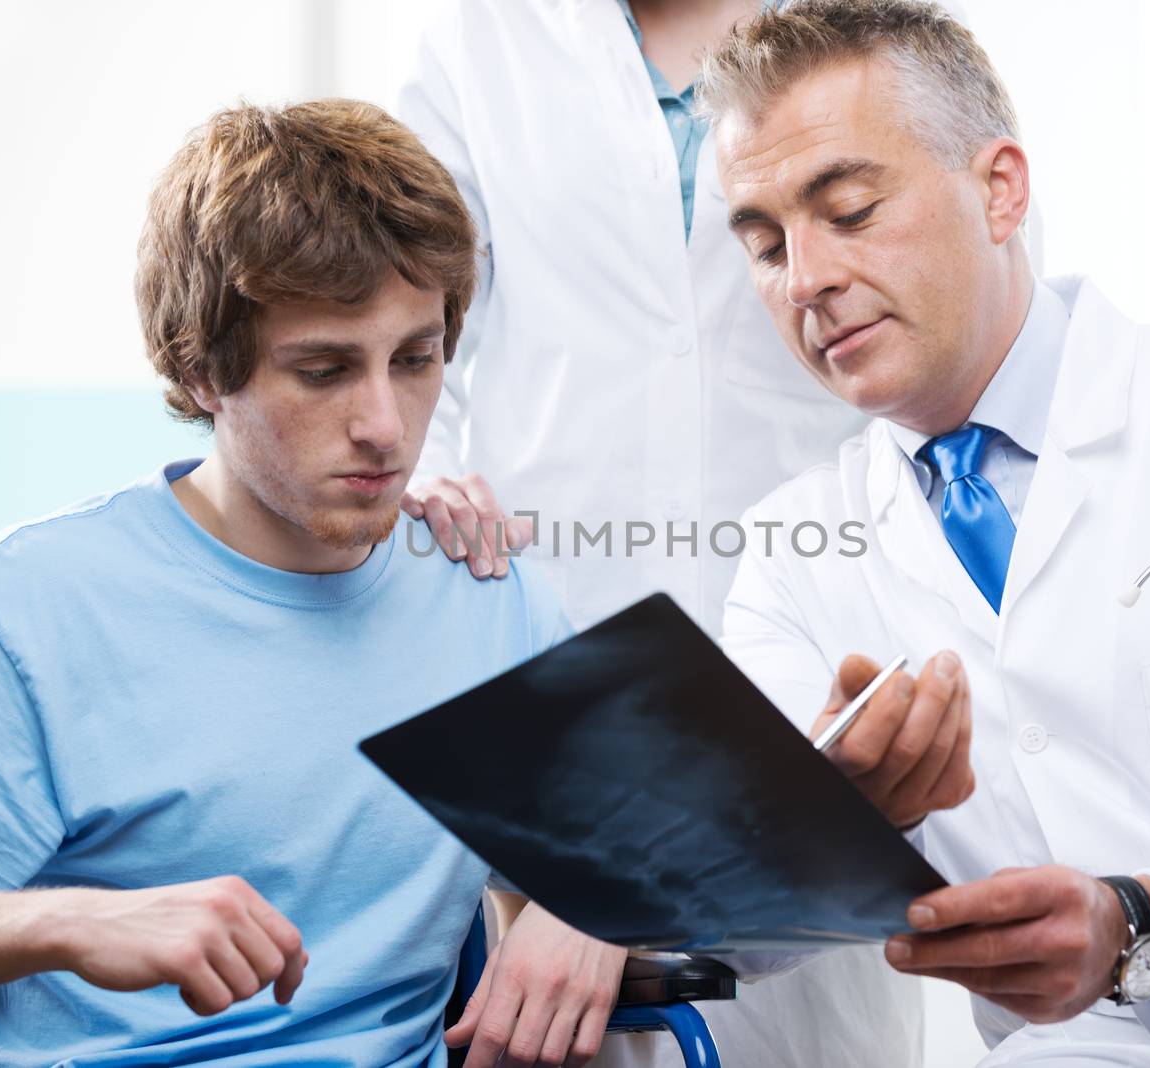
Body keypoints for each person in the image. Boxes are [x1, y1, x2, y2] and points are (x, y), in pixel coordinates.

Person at [701, 1, 1150, 1064]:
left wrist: (1144, 922)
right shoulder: (788, 555)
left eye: (848, 210)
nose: (804, 279)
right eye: (764, 245)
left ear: (999, 189)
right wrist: (824, 830)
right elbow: (740, 925)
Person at [0, 99, 625, 1068]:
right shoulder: (23, 621)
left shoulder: (485, 596)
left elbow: (660, 838)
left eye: (415, 360)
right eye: (325, 370)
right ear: (202, 368)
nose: (385, 423)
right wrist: (62, 924)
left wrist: (595, 906)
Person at [394, 2, 932, 1065]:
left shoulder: (878, 30)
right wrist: (416, 492)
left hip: (812, 652)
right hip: (557, 674)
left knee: (807, 1024)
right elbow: (400, 314)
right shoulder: (481, 43)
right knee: (563, 1025)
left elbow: (953, 327)